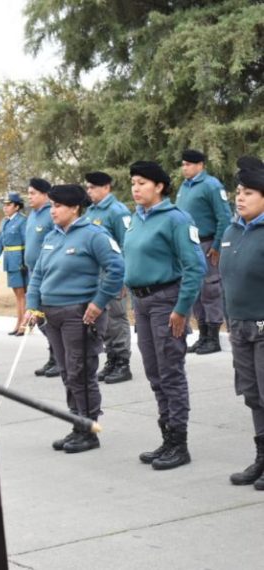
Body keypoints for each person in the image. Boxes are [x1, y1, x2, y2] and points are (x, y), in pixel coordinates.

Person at [25, 185, 125, 453]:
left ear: (74, 208)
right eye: (52, 206)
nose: (53, 211)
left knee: (80, 371)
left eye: (57, 206)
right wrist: (32, 305)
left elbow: (116, 269)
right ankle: (76, 423)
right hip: (52, 314)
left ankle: (89, 429)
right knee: (68, 372)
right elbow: (37, 274)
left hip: (78, 314)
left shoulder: (94, 235)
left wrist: (99, 302)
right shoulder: (51, 237)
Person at [124, 160, 206, 470]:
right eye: (133, 182)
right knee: (154, 372)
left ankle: (179, 444)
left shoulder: (176, 219)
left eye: (142, 182)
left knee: (170, 372)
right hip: (143, 305)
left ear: (159, 186)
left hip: (166, 302)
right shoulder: (136, 219)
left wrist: (182, 309)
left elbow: (195, 267)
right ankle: (166, 437)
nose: (136, 187)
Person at [220, 162, 264, 489]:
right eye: (238, 192)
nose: (240, 198)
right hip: (239, 327)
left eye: (248, 193)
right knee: (252, 395)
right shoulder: (232, 230)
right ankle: (261, 457)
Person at [176, 149, 232, 355]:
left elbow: (224, 218)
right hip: (189, 245)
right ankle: (203, 334)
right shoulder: (184, 186)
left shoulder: (211, 185)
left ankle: (213, 337)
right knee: (196, 291)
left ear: (200, 165)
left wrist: (218, 245)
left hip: (208, 244)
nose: (185, 168)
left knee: (211, 289)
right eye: (183, 164)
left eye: (189, 164)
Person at [84, 171, 134, 384]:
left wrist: (123, 277)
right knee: (103, 321)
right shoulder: (90, 211)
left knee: (116, 318)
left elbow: (127, 245)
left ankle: (122, 362)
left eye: (93, 187)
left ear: (106, 188)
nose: (89, 191)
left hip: (113, 274)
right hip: (96, 276)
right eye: (88, 187)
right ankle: (111, 359)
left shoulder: (117, 211)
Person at [24, 178, 58, 376]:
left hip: (47, 274)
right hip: (33, 273)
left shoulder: (50, 215)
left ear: (45, 195)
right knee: (40, 318)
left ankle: (58, 358)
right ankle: (53, 355)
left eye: (33, 193)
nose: (29, 196)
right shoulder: (32, 215)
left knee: (49, 317)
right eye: (28, 193)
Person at [0, 191, 27, 335]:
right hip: (9, 261)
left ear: (17, 207)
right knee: (17, 294)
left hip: (19, 261)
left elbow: (27, 242)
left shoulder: (22, 221)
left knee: (21, 295)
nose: (5, 207)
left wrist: (24, 261)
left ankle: (22, 325)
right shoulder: (5, 222)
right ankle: (19, 323)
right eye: (4, 205)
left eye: (9, 204)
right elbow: (0, 243)